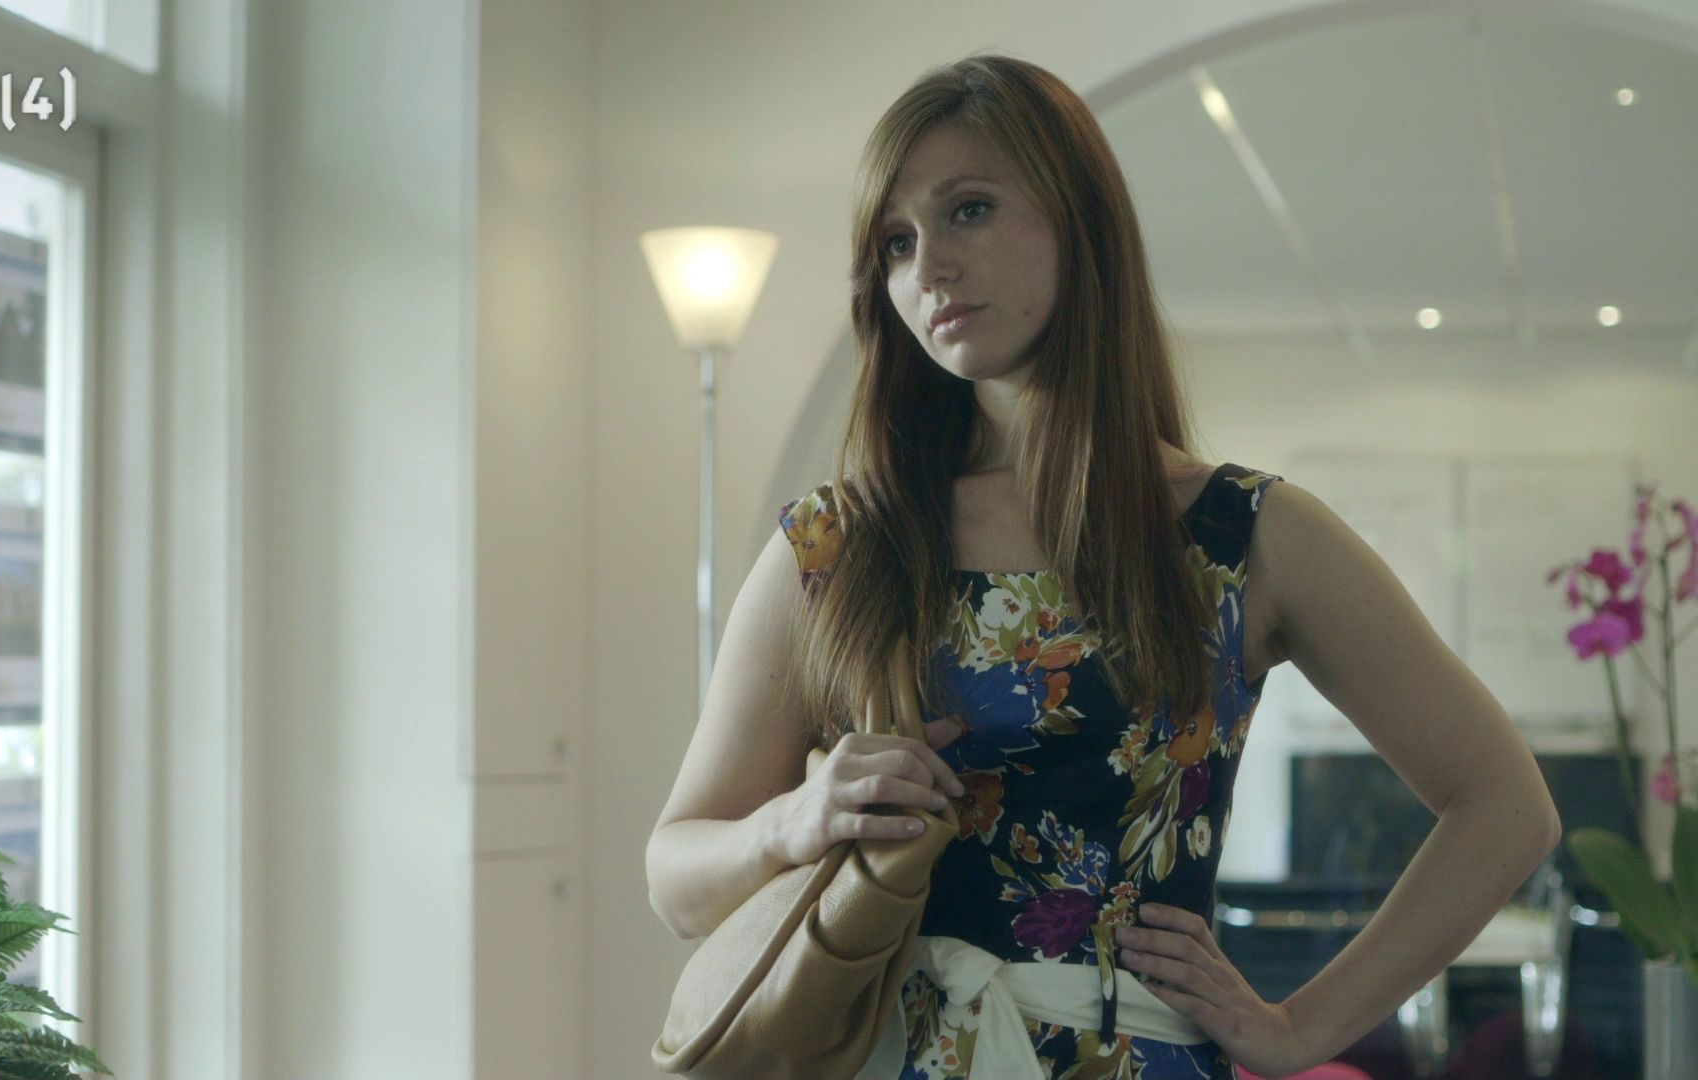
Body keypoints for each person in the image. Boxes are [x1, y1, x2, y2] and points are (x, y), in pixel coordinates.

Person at [645, 53, 1562, 1080]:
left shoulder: (1243, 534)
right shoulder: (836, 545)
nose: (929, 268)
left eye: (969, 210)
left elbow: (1506, 807)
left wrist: (1301, 1028)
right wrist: (793, 822)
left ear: (1079, 218)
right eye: (896, 242)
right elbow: (675, 879)